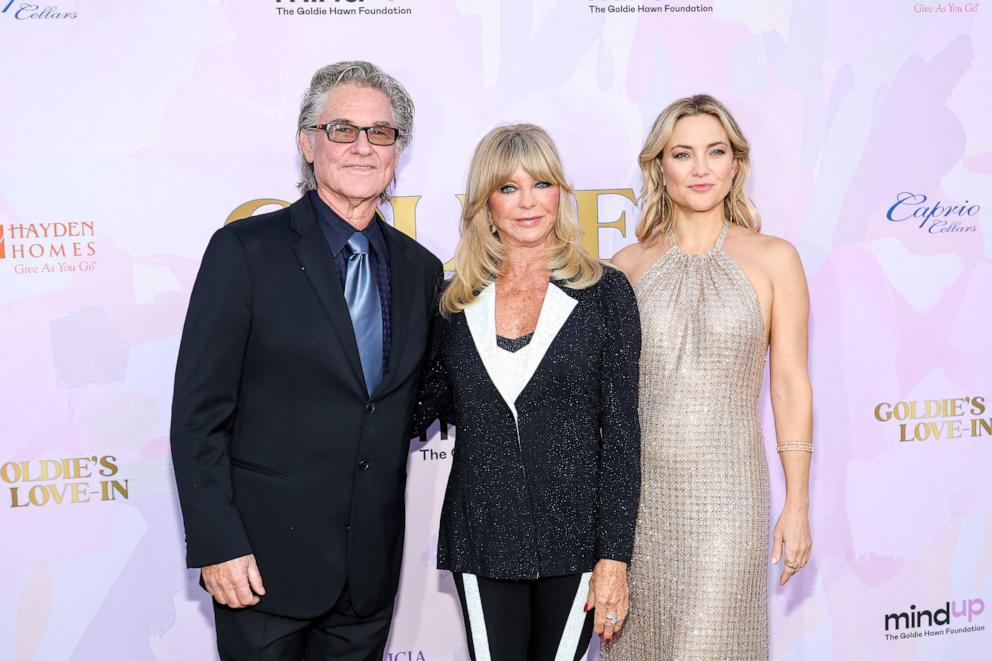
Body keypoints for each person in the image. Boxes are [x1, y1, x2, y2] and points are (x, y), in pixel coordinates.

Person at [170, 61, 443, 660]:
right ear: (307, 143)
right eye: (343, 130)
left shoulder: (421, 270)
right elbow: (198, 416)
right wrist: (217, 543)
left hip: (367, 576)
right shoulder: (244, 251)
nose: (363, 147)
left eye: (381, 132)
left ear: (399, 149)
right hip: (261, 570)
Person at [413, 123, 641, 660]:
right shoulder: (453, 302)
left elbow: (623, 436)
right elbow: (416, 405)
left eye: (540, 184)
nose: (527, 203)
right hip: (484, 533)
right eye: (508, 188)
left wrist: (614, 557)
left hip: (577, 541)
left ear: (560, 193)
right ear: (485, 204)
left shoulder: (605, 293)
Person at [604, 94, 814, 659]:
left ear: (735, 164)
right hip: (641, 504)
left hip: (729, 499)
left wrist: (797, 503)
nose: (700, 169)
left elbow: (791, 384)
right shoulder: (625, 268)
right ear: (659, 167)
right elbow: (612, 406)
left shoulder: (775, 259)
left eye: (715, 152)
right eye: (683, 154)